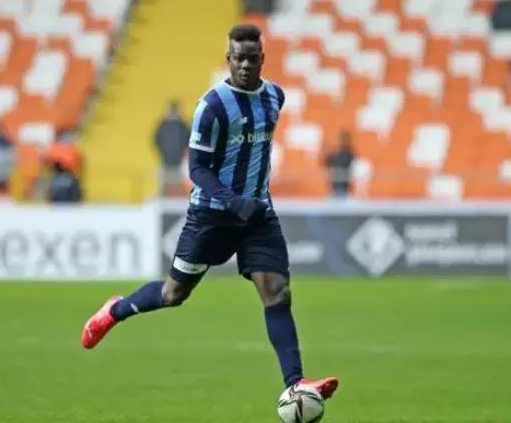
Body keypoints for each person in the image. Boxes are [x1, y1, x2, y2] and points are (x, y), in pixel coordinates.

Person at [81, 24, 339, 400]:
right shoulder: (213, 106)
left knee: (277, 292)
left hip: (257, 214)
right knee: (173, 293)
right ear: (229, 59)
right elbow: (198, 169)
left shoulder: (275, 97)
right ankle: (116, 309)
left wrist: (249, 202)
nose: (246, 65)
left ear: (262, 59)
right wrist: (233, 201)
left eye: (252, 58)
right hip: (212, 215)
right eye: (239, 58)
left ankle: (295, 383)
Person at [154, 99, 190, 196]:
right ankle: (163, 197)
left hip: (179, 161)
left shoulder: (183, 126)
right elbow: (156, 140)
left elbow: (188, 141)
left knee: (179, 184)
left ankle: (177, 198)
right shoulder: (162, 125)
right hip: (165, 160)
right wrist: (163, 152)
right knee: (164, 183)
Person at [325, 130, 355, 198]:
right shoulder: (335, 153)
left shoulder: (349, 153)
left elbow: (350, 164)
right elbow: (328, 163)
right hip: (335, 184)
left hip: (345, 184)